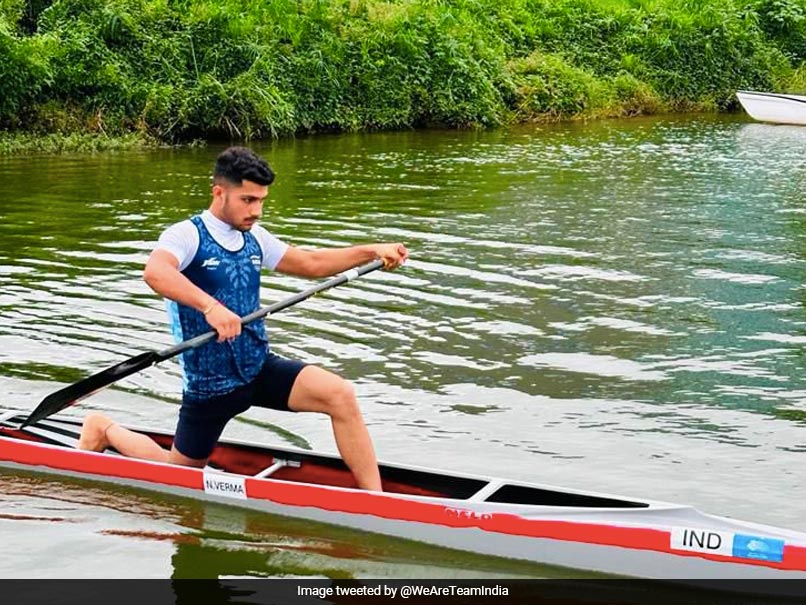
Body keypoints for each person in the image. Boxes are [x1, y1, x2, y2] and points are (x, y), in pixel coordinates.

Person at [77, 146, 408, 491]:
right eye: (248, 200)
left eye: (262, 200)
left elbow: (311, 264)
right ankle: (105, 429)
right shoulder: (186, 235)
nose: (257, 211)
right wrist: (211, 308)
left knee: (340, 395)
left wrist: (371, 250)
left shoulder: (255, 238)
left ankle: (377, 500)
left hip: (257, 367)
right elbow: (155, 272)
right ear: (219, 192)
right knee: (181, 477)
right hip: (211, 384)